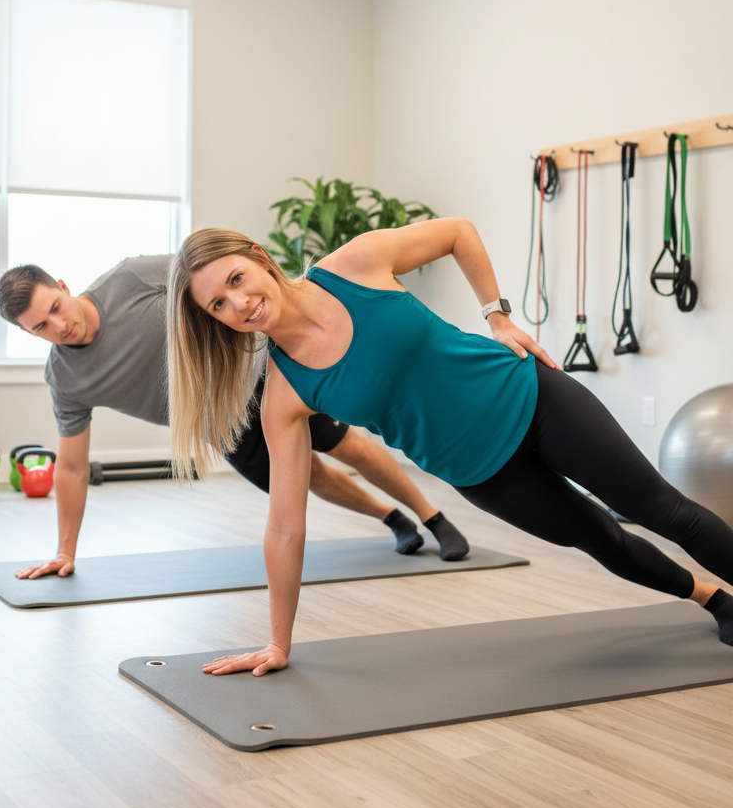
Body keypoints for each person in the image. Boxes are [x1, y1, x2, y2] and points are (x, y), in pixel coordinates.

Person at [164, 222, 733, 678]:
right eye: (218, 305)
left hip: (532, 398)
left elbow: (459, 232)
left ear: (260, 257)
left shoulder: (352, 266)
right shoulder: (285, 396)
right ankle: (715, 601)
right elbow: (286, 526)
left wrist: (498, 317)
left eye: (236, 279)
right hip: (481, 473)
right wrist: (278, 642)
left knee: (661, 508)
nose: (238, 303)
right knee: (600, 539)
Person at [0, 256, 468, 581]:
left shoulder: (132, 278)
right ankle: (394, 519)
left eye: (55, 308)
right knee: (302, 478)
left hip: (259, 379)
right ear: (27, 332)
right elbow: (74, 467)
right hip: (219, 425)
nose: (58, 326)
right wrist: (65, 552)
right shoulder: (67, 380)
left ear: (62, 286)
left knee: (345, 444)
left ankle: (435, 518)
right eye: (40, 327)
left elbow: (213, 279)